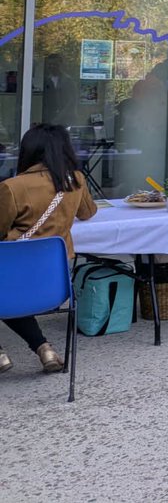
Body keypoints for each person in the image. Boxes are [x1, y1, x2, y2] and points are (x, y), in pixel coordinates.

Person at [0, 124, 97, 374]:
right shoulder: (75, 179)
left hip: (13, 277)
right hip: (54, 284)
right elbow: (88, 212)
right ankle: (45, 349)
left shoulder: (12, 186)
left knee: (7, 290)